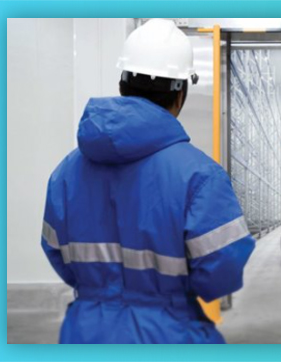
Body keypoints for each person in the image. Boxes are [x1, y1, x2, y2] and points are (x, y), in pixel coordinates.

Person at [41, 19, 255, 344]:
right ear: (180, 93)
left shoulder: (65, 174)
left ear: (122, 84)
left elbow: (57, 252)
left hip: (86, 335)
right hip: (170, 335)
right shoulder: (200, 177)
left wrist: (101, 291)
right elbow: (220, 274)